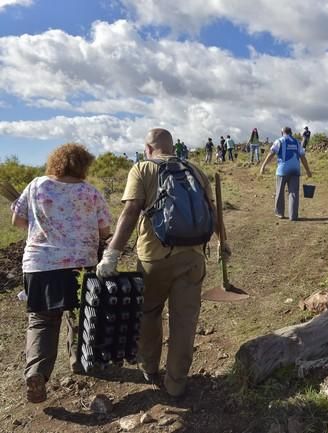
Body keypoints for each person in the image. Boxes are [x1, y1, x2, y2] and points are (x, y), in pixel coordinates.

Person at [96, 128, 223, 398]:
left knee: (149, 313)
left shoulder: (142, 169)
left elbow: (130, 211)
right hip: (193, 258)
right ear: (172, 146)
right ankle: (176, 383)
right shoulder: (195, 169)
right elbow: (212, 211)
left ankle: (150, 368)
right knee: (185, 321)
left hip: (154, 258)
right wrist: (223, 241)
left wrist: (112, 253)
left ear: (148, 148)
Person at [11, 143, 111, 403]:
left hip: (40, 264)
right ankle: (79, 361)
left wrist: (41, 228)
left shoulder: (36, 186)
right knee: (78, 316)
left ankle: (37, 372)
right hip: (80, 264)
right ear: (83, 166)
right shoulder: (90, 192)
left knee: (42, 320)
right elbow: (104, 231)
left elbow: (18, 220)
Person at [259, 127, 312, 221]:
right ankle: (293, 216)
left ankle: (280, 213)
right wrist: (308, 171)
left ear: (282, 132)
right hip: (295, 170)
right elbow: (303, 157)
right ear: (291, 133)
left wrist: (263, 166)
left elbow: (271, 153)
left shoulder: (279, 141)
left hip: (282, 171)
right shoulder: (297, 142)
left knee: (280, 192)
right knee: (294, 193)